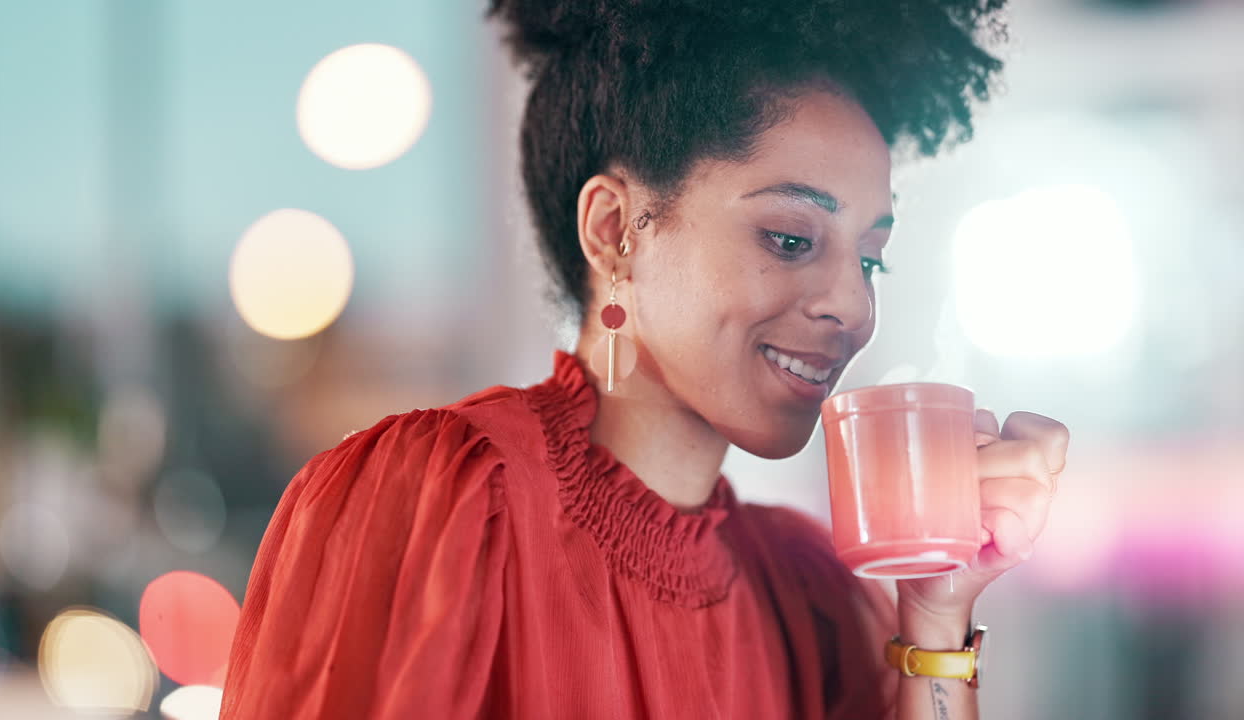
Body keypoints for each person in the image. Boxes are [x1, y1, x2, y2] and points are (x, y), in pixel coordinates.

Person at [218, 1, 1070, 718]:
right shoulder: (442, 502)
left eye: (870, 258)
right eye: (789, 237)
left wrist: (934, 610)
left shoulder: (806, 593)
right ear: (615, 231)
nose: (854, 306)